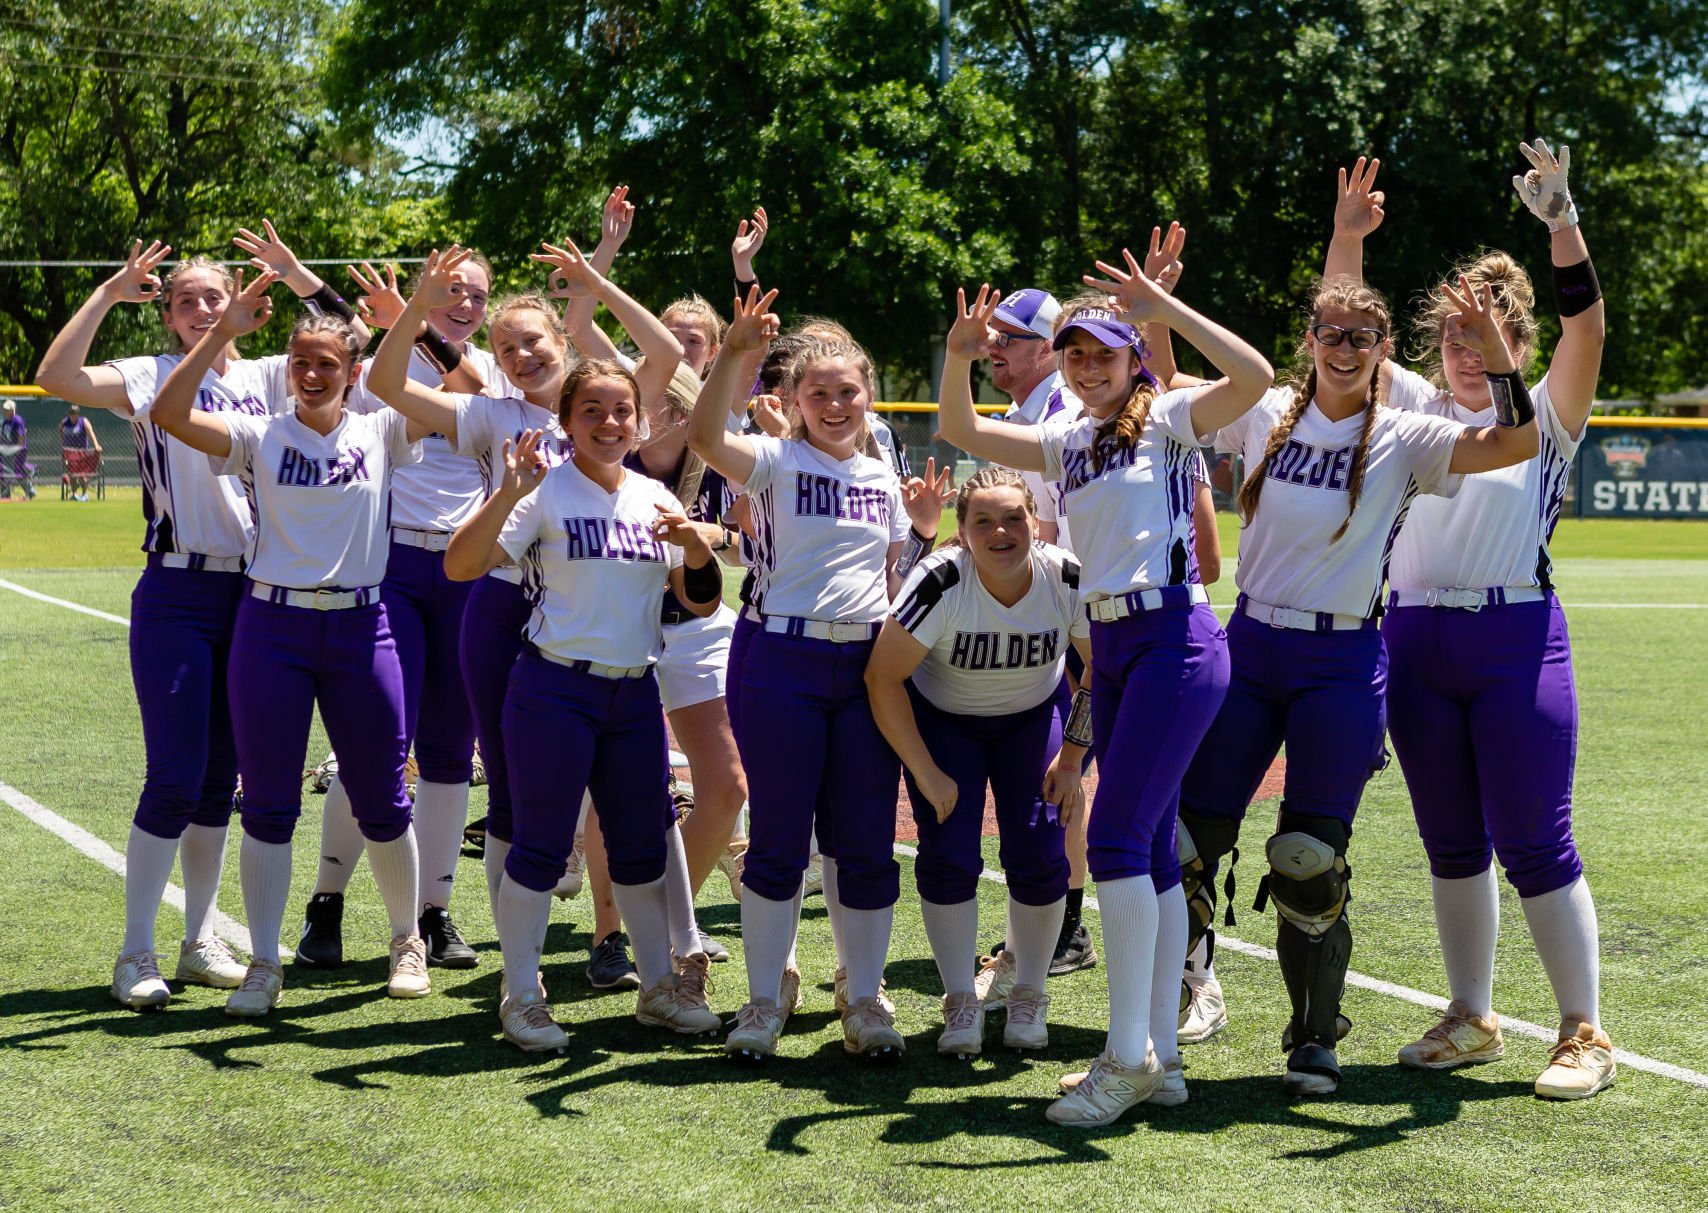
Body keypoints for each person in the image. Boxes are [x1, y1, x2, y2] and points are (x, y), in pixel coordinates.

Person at [1175, 258, 1543, 1097]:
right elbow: (1165, 384)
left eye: (1363, 337)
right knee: (1189, 846)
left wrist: (1497, 354)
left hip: (1340, 659)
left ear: (1383, 349)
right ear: (1309, 341)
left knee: (1308, 857)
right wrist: (1163, 303)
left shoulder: (1405, 433)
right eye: (1331, 334)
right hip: (1254, 644)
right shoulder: (1267, 412)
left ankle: (1314, 1037)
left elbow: (1519, 439)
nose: (1345, 347)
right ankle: (1166, 1009)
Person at [935, 253, 1273, 1125]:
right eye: (1074, 353)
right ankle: (1156, 1058)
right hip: (1117, 643)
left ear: (1134, 360)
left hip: (1172, 635)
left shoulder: (1166, 417)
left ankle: (1125, 1058)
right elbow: (962, 429)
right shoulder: (1066, 439)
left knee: (1118, 841)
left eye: (1104, 353)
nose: (1088, 367)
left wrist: (1167, 306)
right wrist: (959, 353)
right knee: (1150, 848)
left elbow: (1256, 376)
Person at [1326, 146, 1615, 1099]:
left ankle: (1583, 1030)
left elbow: (1589, 325)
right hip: (1411, 641)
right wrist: (1348, 240)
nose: (1461, 348)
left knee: (1537, 837)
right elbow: (1343, 324)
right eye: (1450, 333)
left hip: (1513, 638)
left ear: (1517, 342)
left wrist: (1560, 218)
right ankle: (1472, 1014)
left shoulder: (1547, 413)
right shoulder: (1409, 403)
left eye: (1481, 335)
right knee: (1451, 839)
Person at [34, 236, 345, 1010]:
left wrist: (296, 273)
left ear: (241, 295)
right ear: (169, 316)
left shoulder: (275, 375)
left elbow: (354, 336)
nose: (205, 308)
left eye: (216, 295)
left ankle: (199, 937)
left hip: (256, 596)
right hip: (177, 590)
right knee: (173, 774)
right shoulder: (149, 374)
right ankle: (135, 949)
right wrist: (108, 292)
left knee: (220, 783)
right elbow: (54, 377)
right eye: (189, 301)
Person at [148, 269, 433, 1017]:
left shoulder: (382, 428)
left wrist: (410, 312)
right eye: (300, 360)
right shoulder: (259, 433)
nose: (310, 374)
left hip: (360, 626)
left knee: (382, 797)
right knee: (269, 803)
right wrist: (223, 329)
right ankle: (266, 962)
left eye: (327, 363)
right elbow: (170, 411)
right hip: (269, 628)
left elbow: (417, 381)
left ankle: (408, 939)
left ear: (351, 372)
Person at [689, 289, 945, 1062]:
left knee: (863, 839)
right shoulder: (774, 457)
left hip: (867, 666)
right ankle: (763, 1001)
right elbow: (704, 434)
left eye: (848, 391)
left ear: (869, 394)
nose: (835, 403)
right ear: (795, 400)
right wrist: (733, 349)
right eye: (819, 392)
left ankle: (863, 997)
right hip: (779, 659)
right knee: (777, 839)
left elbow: (906, 572)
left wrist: (928, 528)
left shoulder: (882, 475)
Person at [442, 370, 725, 1051]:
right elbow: (460, 565)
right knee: (540, 846)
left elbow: (705, 601)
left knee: (641, 845)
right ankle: (522, 993)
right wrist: (508, 491)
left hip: (632, 692)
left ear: (641, 422)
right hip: (553, 687)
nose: (608, 422)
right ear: (566, 420)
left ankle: (657, 987)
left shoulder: (654, 495)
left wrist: (692, 544)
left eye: (622, 409)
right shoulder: (544, 489)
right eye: (591, 409)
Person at [292, 248, 503, 973]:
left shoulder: (491, 367)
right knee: (376, 744)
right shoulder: (381, 353)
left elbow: (473, 385)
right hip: (396, 562)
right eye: (450, 290)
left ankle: (434, 910)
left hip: (469, 566)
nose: (465, 303)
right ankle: (328, 897)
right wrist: (400, 319)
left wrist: (418, 325)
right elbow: (347, 340)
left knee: (449, 754)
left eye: (475, 293)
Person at [866, 467, 1088, 1058]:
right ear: (962, 532)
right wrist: (924, 768)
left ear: (1035, 523)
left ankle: (1029, 994)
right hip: (946, 722)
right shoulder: (938, 581)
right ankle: (961, 998)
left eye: (1014, 517)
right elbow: (883, 678)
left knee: (1042, 853)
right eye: (984, 520)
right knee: (948, 855)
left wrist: (1071, 759)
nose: (1001, 531)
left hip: (1032, 717)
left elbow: (1099, 673)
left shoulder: (1064, 574)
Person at [59, 403, 102, 500]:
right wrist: (63, 440)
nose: (72, 415)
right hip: (70, 453)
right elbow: (60, 428)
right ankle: (74, 494)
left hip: (82, 453)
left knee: (82, 475)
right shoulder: (66, 421)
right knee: (72, 475)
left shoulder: (83, 421)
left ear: (78, 414)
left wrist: (96, 445)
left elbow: (91, 433)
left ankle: (84, 494)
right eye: (71, 413)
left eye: (74, 413)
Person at [0, 400, 34, 499]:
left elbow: (20, 439)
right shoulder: (6, 421)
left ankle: (30, 489)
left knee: (18, 471)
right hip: (7, 450)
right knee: (2, 469)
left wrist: (14, 450)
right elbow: (3, 437)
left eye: (7, 410)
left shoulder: (17, 420)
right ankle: (5, 491)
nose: (4, 411)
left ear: (13, 411)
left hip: (18, 451)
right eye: (4, 409)